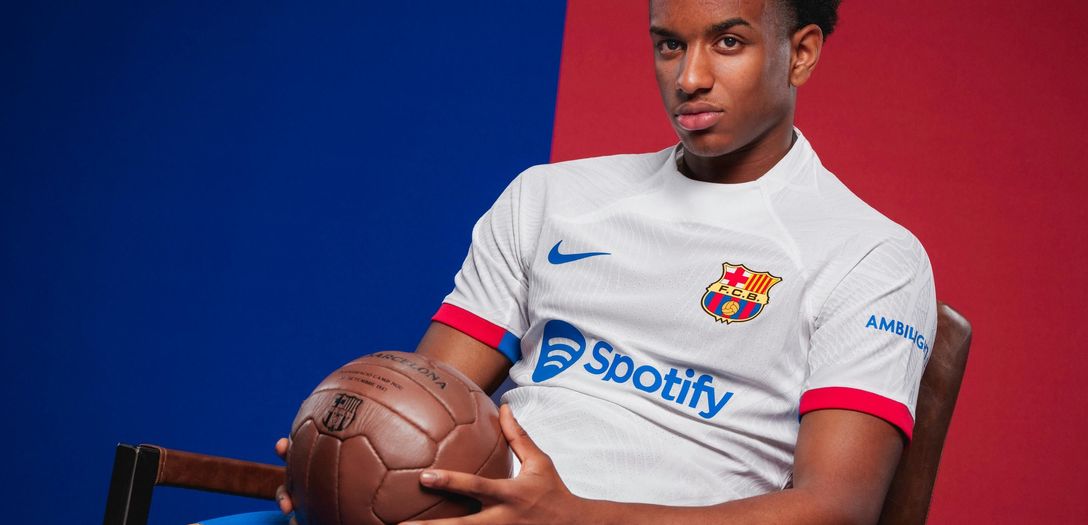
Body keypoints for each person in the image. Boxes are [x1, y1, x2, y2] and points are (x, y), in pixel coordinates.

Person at [273, 0, 937, 523]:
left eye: (728, 42)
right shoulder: (550, 198)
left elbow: (836, 509)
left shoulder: (871, 255)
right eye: (669, 44)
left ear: (801, 53)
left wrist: (575, 517)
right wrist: (349, 455)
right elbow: (430, 398)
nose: (690, 78)